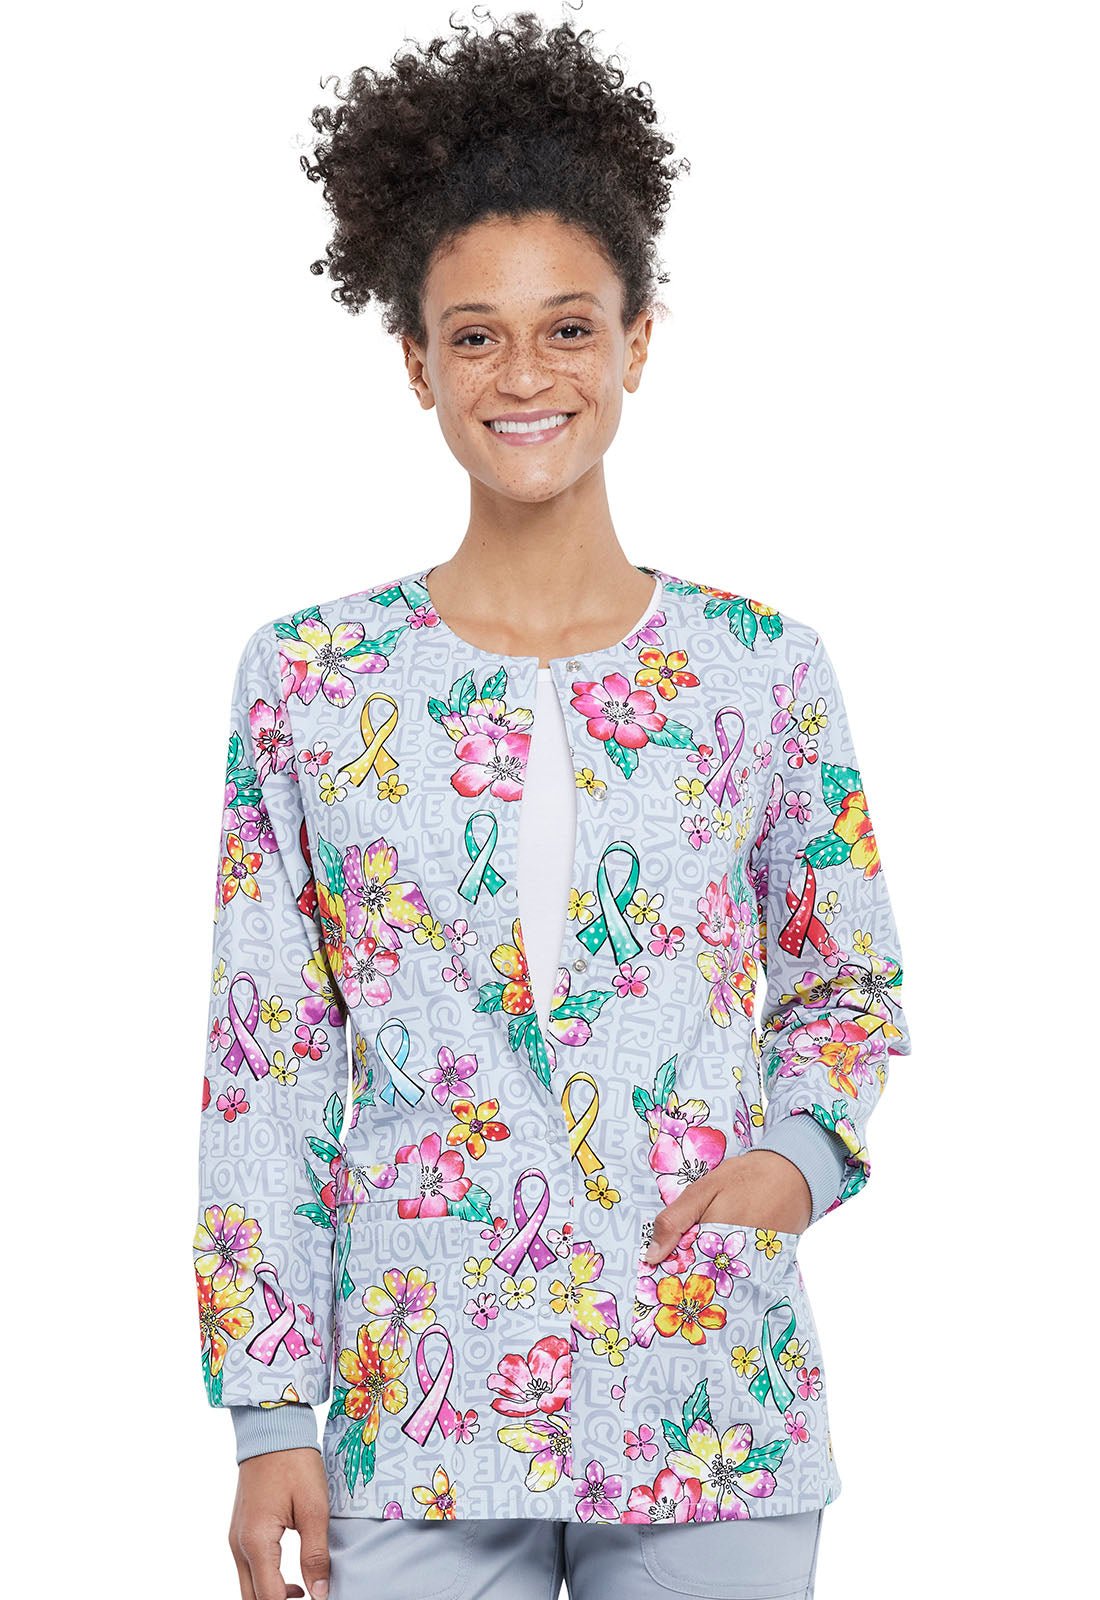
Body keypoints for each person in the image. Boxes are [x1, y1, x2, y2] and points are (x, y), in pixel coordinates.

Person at [192, 9, 911, 1598]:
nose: (525, 375)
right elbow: (266, 1061)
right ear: (416, 363)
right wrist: (268, 1410)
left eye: (569, 327)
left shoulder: (761, 671)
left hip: (706, 1385)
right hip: (415, 1399)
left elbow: (848, 981)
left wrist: (798, 1159)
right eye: (475, 336)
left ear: (639, 340)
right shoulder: (311, 681)